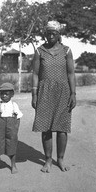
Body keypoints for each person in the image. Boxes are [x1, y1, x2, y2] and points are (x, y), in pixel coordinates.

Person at [32, 20, 76, 173]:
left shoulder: (67, 50)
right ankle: (48, 160)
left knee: (62, 128)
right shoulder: (39, 51)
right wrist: (34, 94)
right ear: (45, 34)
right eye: (48, 33)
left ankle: (61, 159)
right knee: (46, 128)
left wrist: (73, 93)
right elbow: (36, 74)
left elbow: (71, 73)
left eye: (54, 33)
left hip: (63, 92)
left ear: (59, 35)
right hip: (44, 92)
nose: (51, 35)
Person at [0, 82, 23, 175]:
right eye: (2, 93)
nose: (4, 96)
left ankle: (13, 165)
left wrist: (15, 127)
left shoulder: (14, 105)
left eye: (6, 94)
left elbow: (18, 116)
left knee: (12, 144)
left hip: (11, 126)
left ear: (12, 94)